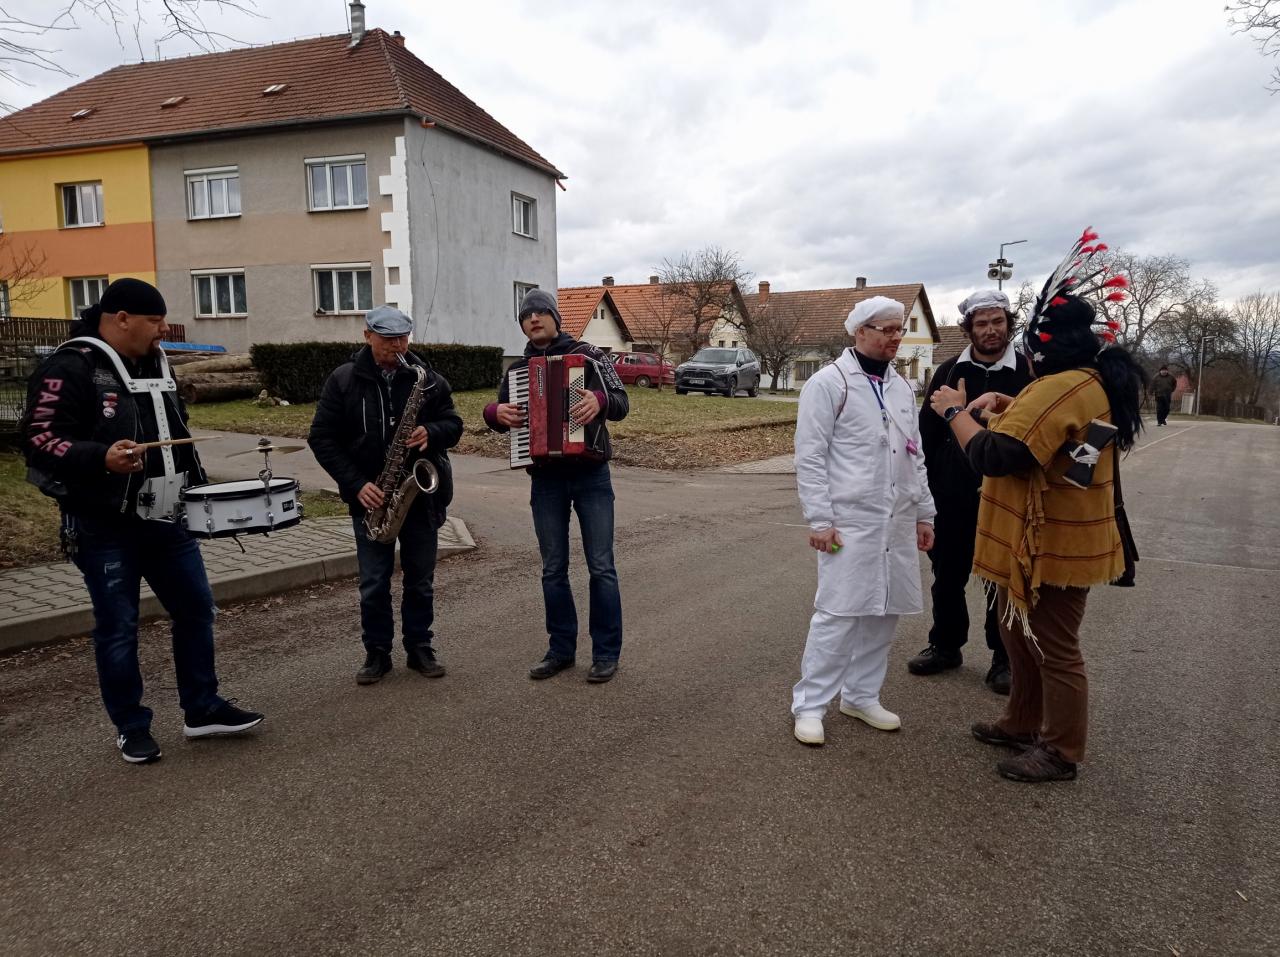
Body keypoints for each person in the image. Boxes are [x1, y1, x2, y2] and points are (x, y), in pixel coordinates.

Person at [928, 228, 1145, 783]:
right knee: (1018, 632)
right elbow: (1068, 453)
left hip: (1051, 544)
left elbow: (996, 456)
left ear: (1041, 345)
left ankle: (1061, 750)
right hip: (1045, 535)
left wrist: (955, 412)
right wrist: (1011, 403)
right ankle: (1022, 721)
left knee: (1053, 647)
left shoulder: (1059, 387)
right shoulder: (1084, 381)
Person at [21, 278, 264, 764]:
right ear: (121, 319)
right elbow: (38, 439)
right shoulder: (71, 366)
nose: (163, 330)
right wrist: (100, 457)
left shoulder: (156, 362)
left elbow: (175, 429)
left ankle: (202, 709)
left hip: (166, 520)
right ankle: (131, 727)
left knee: (196, 610)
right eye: (155, 321)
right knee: (118, 628)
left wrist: (199, 489)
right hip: (103, 525)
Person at [791, 296, 936, 746]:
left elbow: (915, 455)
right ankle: (811, 705)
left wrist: (925, 512)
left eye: (899, 330)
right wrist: (820, 520)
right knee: (838, 614)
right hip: (850, 521)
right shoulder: (828, 384)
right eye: (886, 330)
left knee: (885, 613)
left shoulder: (901, 387)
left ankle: (860, 695)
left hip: (897, 519)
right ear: (860, 332)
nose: (896, 337)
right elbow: (810, 457)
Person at [309, 305, 463, 685]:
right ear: (367, 336)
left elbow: (454, 425)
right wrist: (356, 484)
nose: (397, 347)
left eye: (402, 339)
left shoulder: (428, 379)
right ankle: (377, 652)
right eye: (387, 339)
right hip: (372, 499)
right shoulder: (343, 380)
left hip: (420, 498)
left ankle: (419, 647)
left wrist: (432, 432)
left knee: (420, 580)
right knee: (374, 583)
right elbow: (322, 438)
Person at [483, 289, 629, 683]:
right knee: (552, 569)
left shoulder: (590, 356)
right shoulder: (518, 372)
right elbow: (500, 414)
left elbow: (621, 401)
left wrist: (599, 401)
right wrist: (496, 413)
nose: (533, 318)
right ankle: (561, 650)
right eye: (526, 315)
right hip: (545, 479)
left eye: (541, 312)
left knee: (601, 566)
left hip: (591, 475)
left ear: (555, 318)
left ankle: (605, 653)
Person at [910, 289, 1032, 694]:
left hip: (1006, 495)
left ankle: (1004, 658)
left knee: (1003, 580)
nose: (990, 330)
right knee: (947, 575)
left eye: (997, 322)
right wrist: (925, 492)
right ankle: (946, 645)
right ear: (969, 329)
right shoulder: (948, 372)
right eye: (981, 324)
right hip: (951, 493)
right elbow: (926, 436)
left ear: (1008, 325)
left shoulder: (1027, 372)